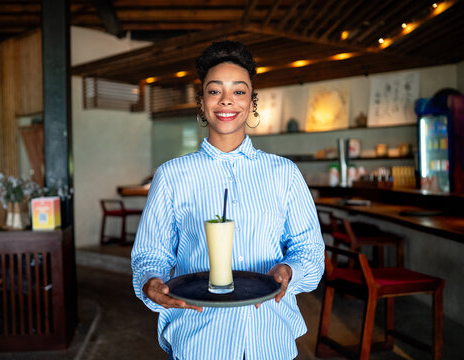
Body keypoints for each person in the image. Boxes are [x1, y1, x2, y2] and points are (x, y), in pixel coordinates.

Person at [131, 40, 325, 360]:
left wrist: (289, 271)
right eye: (214, 90)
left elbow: (311, 252)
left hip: (269, 338)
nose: (226, 101)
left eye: (238, 91)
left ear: (251, 102)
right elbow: (151, 254)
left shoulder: (284, 173)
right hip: (200, 340)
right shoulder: (172, 175)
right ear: (202, 101)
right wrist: (151, 282)